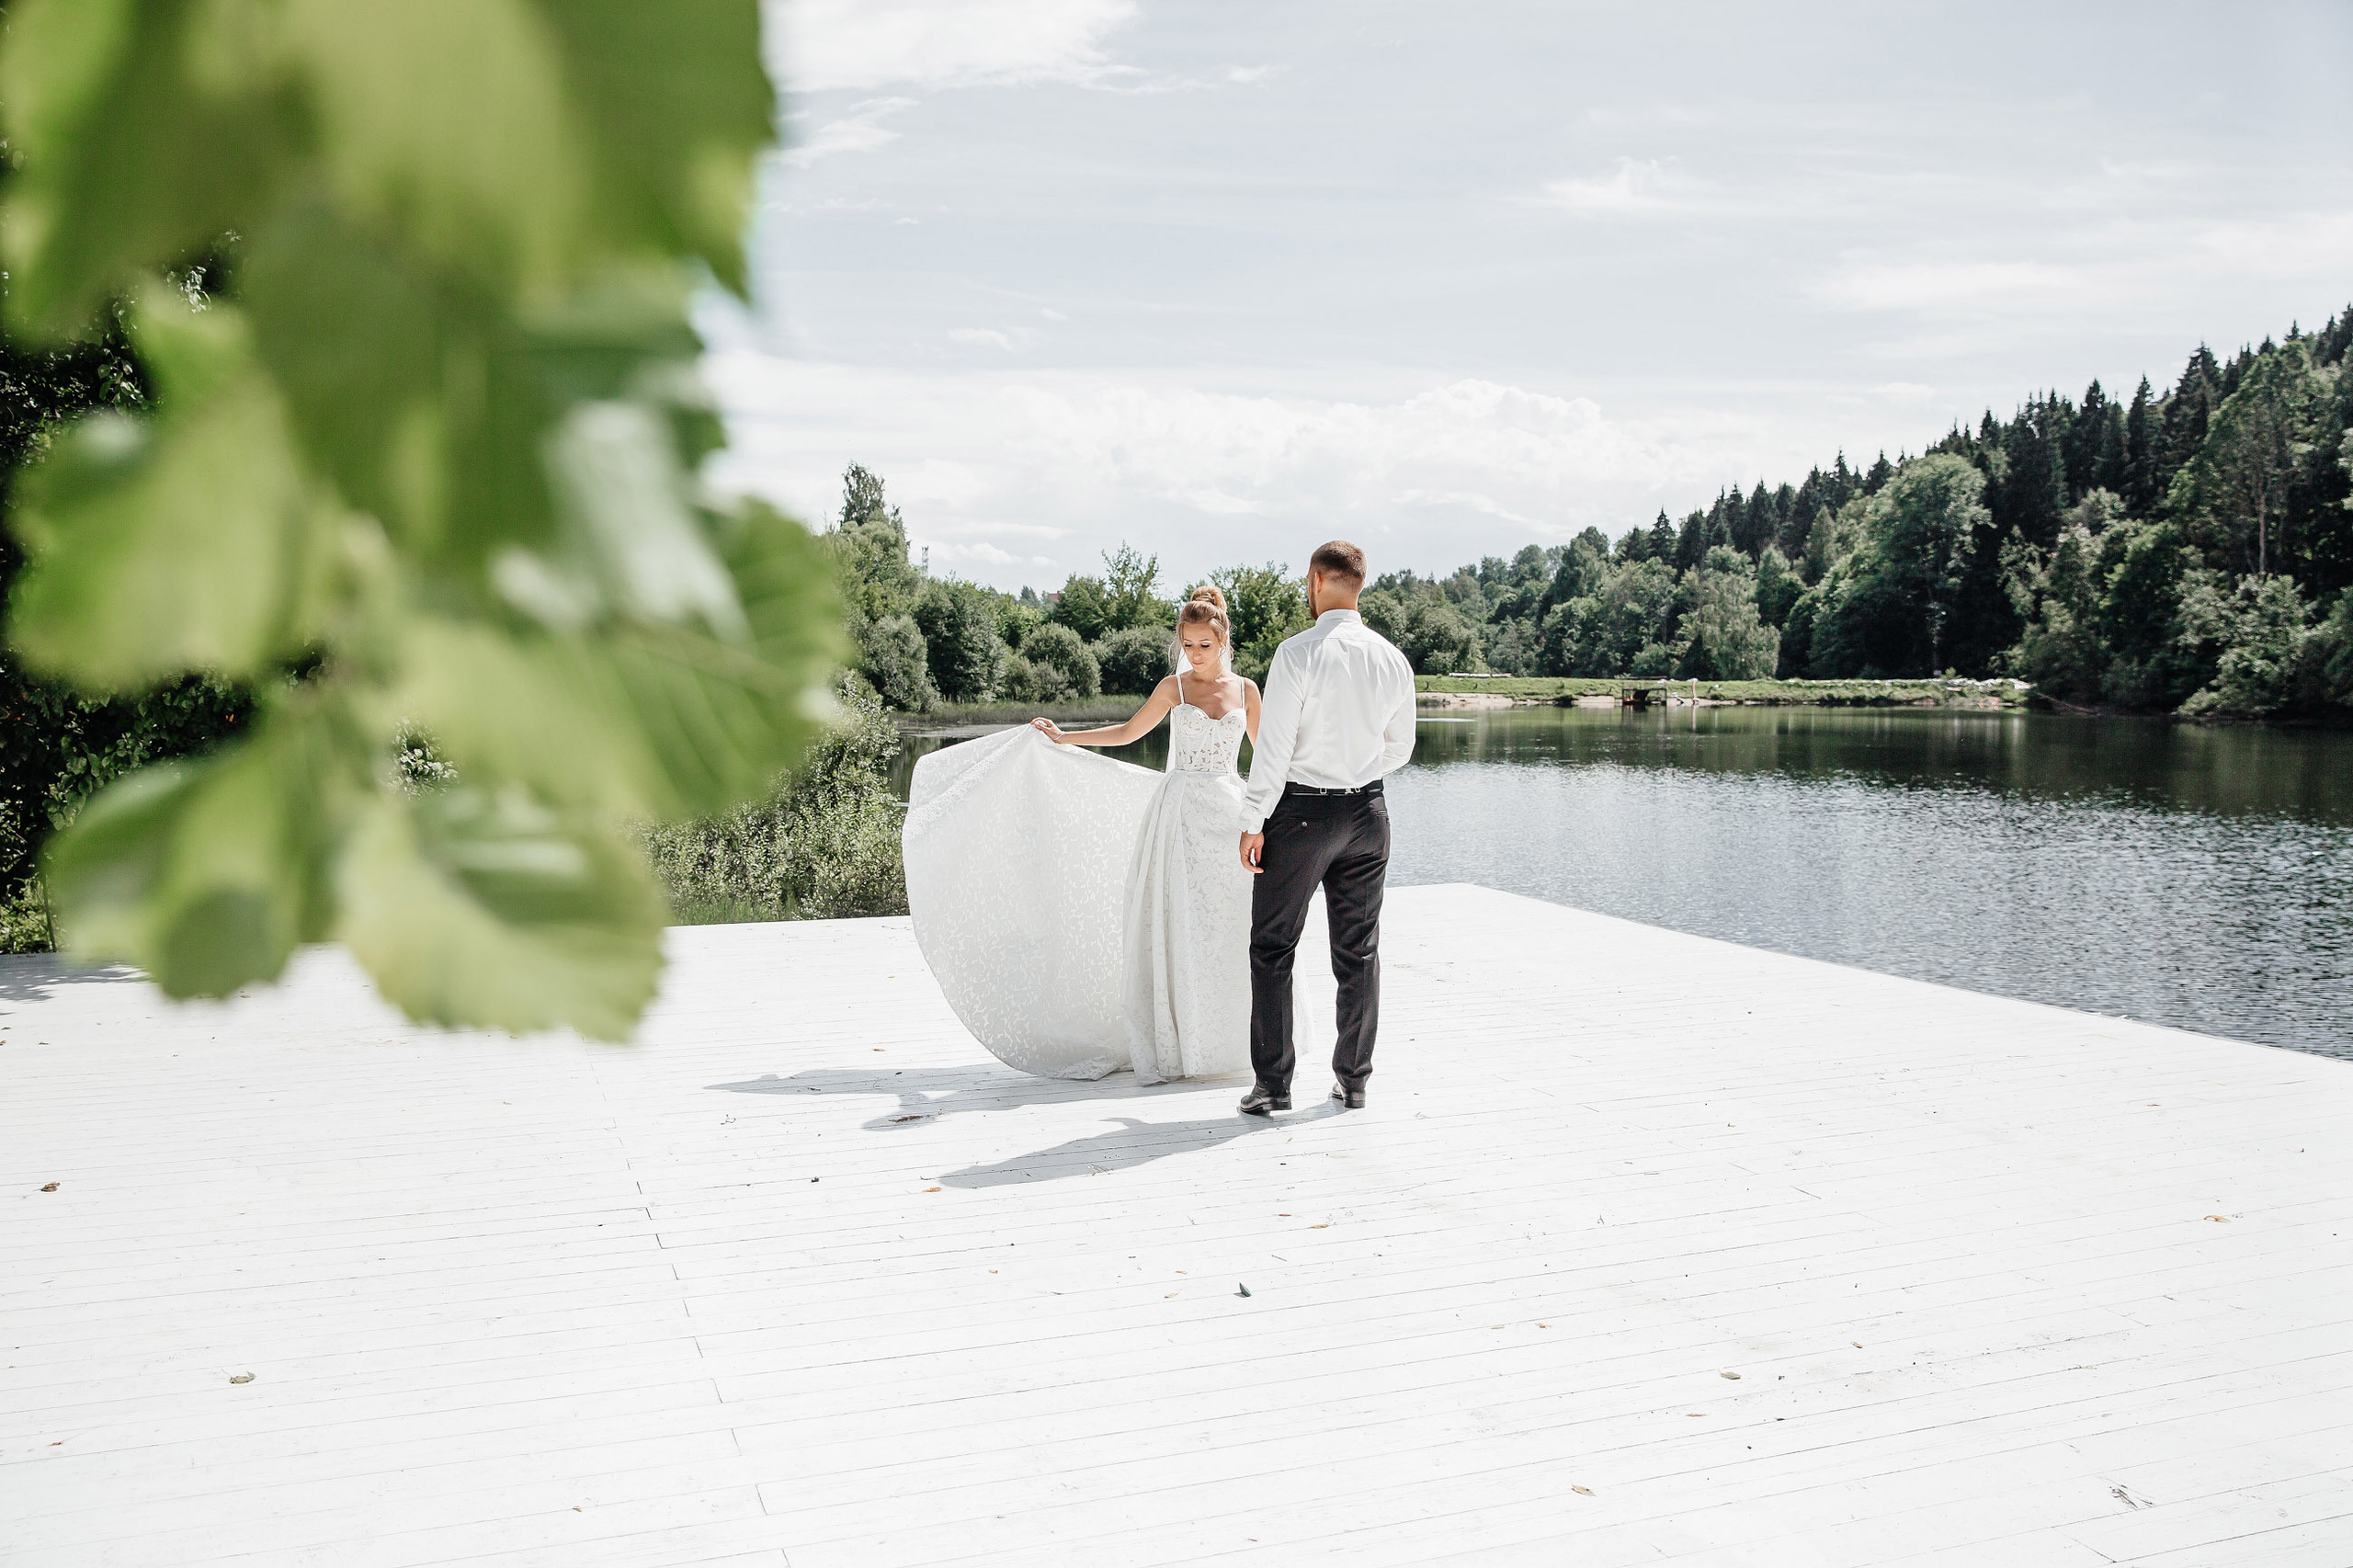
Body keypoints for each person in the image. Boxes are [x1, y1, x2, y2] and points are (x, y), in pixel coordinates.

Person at [1032, 585, 1261, 1083]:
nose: (1195, 654)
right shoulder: (1172, 689)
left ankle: (1232, 1043)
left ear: (1223, 640)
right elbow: (1128, 732)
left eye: (1205, 644)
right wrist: (1065, 738)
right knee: (1176, 921)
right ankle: (1178, 1040)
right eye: (1188, 644)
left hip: (1228, 813)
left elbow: (1266, 759)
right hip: (1178, 814)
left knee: (1228, 923)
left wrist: (1267, 815)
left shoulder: (1247, 691)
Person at [1234, 540, 1415, 1115]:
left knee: (1272, 947)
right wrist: (1357, 777)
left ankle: (1273, 1087)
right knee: (1359, 952)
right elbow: (1402, 748)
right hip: (1368, 814)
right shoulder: (1392, 658)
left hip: (1302, 813)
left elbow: (1274, 748)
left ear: (1316, 581)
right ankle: (1354, 1081)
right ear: (1357, 584)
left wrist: (1253, 819)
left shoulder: (1297, 653)